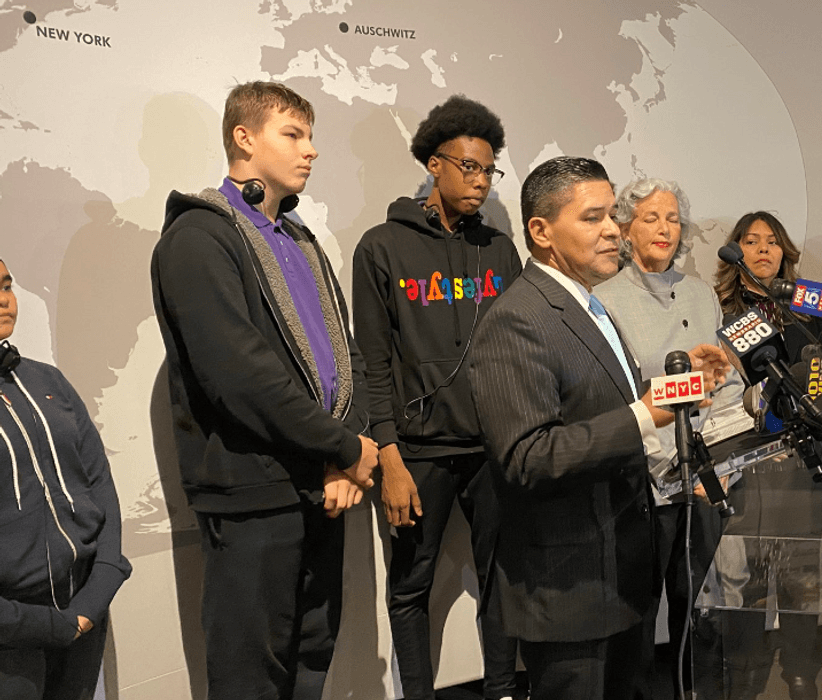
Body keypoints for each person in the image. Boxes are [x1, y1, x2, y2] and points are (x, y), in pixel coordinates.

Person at [467, 156, 730, 700]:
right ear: (541, 231)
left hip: (621, 576)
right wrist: (648, 412)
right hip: (570, 587)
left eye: (613, 215)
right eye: (593, 218)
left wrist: (689, 384)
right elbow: (526, 457)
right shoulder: (518, 319)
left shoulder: (587, 304)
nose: (614, 230)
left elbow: (617, 403)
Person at [150, 81, 378, 700]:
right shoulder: (198, 237)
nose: (311, 151)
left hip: (322, 483)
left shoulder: (301, 240)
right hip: (253, 494)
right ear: (243, 139)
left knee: (312, 656)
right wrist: (342, 447)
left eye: (310, 137)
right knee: (251, 674)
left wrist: (342, 452)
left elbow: (345, 355)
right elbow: (239, 375)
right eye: (293, 134)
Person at [352, 94, 521, 700]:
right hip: (417, 452)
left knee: (501, 577)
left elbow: (517, 350)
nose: (481, 181)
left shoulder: (499, 249)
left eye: (490, 169)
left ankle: (503, 689)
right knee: (410, 586)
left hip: (492, 447)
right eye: (470, 167)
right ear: (435, 164)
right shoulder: (381, 247)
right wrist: (390, 458)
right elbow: (370, 361)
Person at [594, 178, 744, 697]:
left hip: (704, 482)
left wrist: (718, 466)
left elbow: (724, 385)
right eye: (651, 218)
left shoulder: (702, 294)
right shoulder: (602, 300)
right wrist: (671, 467)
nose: (664, 228)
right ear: (627, 229)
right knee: (637, 618)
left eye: (673, 218)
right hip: (643, 486)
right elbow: (619, 401)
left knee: (700, 612)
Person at [711, 211, 822, 700]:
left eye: (773, 242)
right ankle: (745, 669)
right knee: (743, 576)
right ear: (737, 251)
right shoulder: (718, 309)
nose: (763, 250)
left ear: (785, 251)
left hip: (804, 458)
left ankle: (799, 671)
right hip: (744, 463)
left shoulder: (807, 306)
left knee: (800, 574)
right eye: (752, 242)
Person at [0, 260, 131, 700]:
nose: (3, 298)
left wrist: (101, 584)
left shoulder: (45, 379)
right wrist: (44, 625)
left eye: (5, 285)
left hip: (83, 612)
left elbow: (99, 483)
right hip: (11, 638)